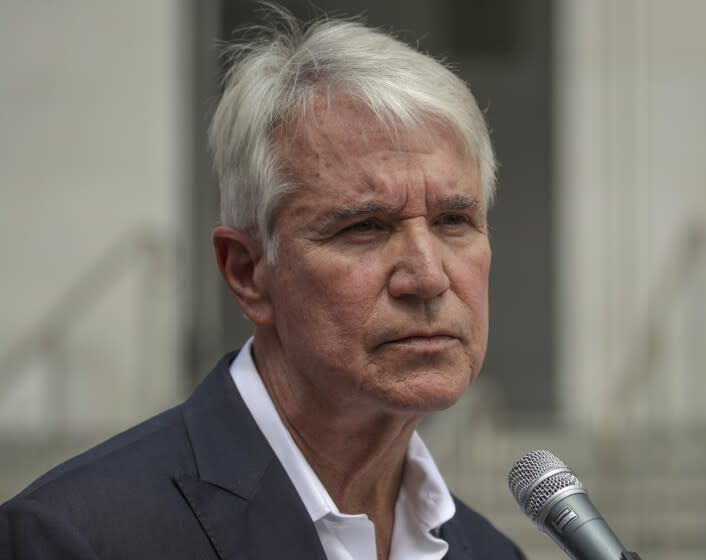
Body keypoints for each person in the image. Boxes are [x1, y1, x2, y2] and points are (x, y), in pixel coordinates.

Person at [0, 10, 524, 560]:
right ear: (247, 272)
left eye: (453, 221)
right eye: (365, 227)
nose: (427, 276)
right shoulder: (75, 540)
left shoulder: (493, 553)